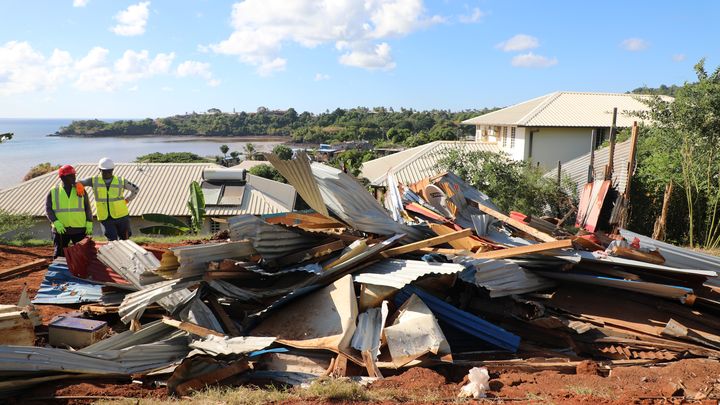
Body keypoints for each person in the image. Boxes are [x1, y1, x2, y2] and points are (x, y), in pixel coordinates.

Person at [79, 157, 139, 241]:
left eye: (109, 171)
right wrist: (78, 185)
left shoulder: (120, 181)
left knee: (125, 239)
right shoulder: (93, 180)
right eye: (104, 171)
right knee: (112, 240)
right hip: (105, 218)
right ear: (99, 170)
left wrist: (128, 199)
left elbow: (135, 189)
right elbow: (79, 182)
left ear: (113, 170)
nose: (107, 173)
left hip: (122, 216)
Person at [46, 165, 93, 258]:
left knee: (82, 254)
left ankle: (81, 272)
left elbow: (87, 207)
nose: (74, 178)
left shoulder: (80, 190)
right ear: (62, 177)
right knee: (59, 254)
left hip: (79, 228)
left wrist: (89, 222)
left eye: (74, 175)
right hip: (60, 230)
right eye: (70, 176)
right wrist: (55, 222)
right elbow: (48, 209)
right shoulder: (53, 191)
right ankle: (60, 272)